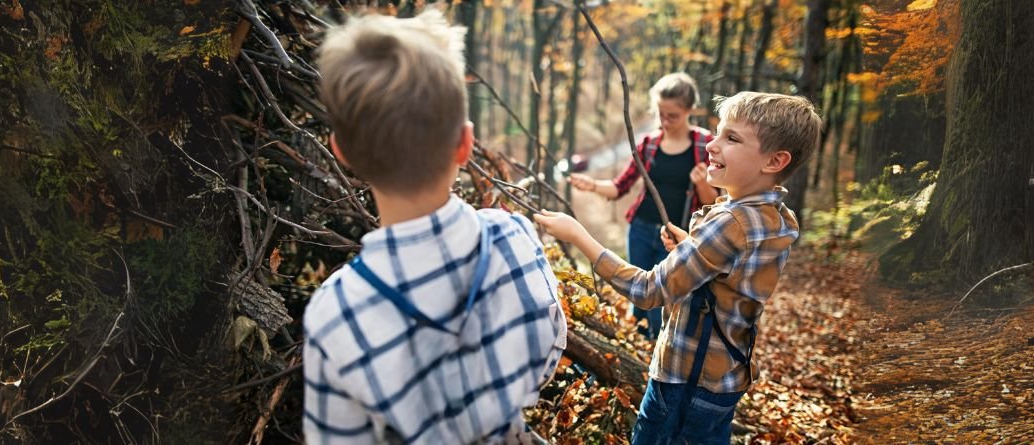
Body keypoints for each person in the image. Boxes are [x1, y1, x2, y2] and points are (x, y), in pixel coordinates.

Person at [302, 10, 567, 444]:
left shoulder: (335, 315)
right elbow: (548, 350)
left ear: (341, 153)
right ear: (465, 144)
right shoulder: (513, 238)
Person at [536, 91, 822, 444]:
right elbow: (733, 277)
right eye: (717, 132)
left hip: (686, 381)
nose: (712, 145)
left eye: (732, 138)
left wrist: (578, 235)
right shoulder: (777, 218)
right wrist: (692, 246)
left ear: (775, 161)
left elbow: (648, 291)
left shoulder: (729, 223)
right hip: (727, 377)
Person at [567, 73, 719, 339]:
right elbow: (619, 187)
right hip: (640, 229)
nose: (665, 121)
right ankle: (637, 347)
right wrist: (591, 185)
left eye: (673, 115)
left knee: (661, 301)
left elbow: (715, 205)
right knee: (637, 294)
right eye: (660, 114)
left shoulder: (705, 145)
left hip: (676, 237)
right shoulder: (648, 144)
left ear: (689, 110)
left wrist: (702, 185)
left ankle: (656, 351)